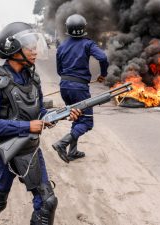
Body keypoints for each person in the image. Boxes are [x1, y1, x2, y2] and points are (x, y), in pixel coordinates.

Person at [0, 22, 82, 225]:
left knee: (47, 202)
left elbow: (39, 111)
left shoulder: (33, 78)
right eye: (29, 47)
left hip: (29, 151)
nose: (35, 51)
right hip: (4, 153)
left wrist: (61, 114)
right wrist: (26, 126)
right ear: (13, 49)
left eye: (35, 46)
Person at [52, 14, 109, 163]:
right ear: (84, 28)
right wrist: (103, 74)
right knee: (86, 122)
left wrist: (68, 79)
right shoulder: (87, 44)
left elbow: (59, 70)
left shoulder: (62, 45)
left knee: (76, 116)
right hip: (79, 88)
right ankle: (62, 143)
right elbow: (103, 58)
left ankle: (73, 151)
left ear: (67, 28)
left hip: (64, 86)